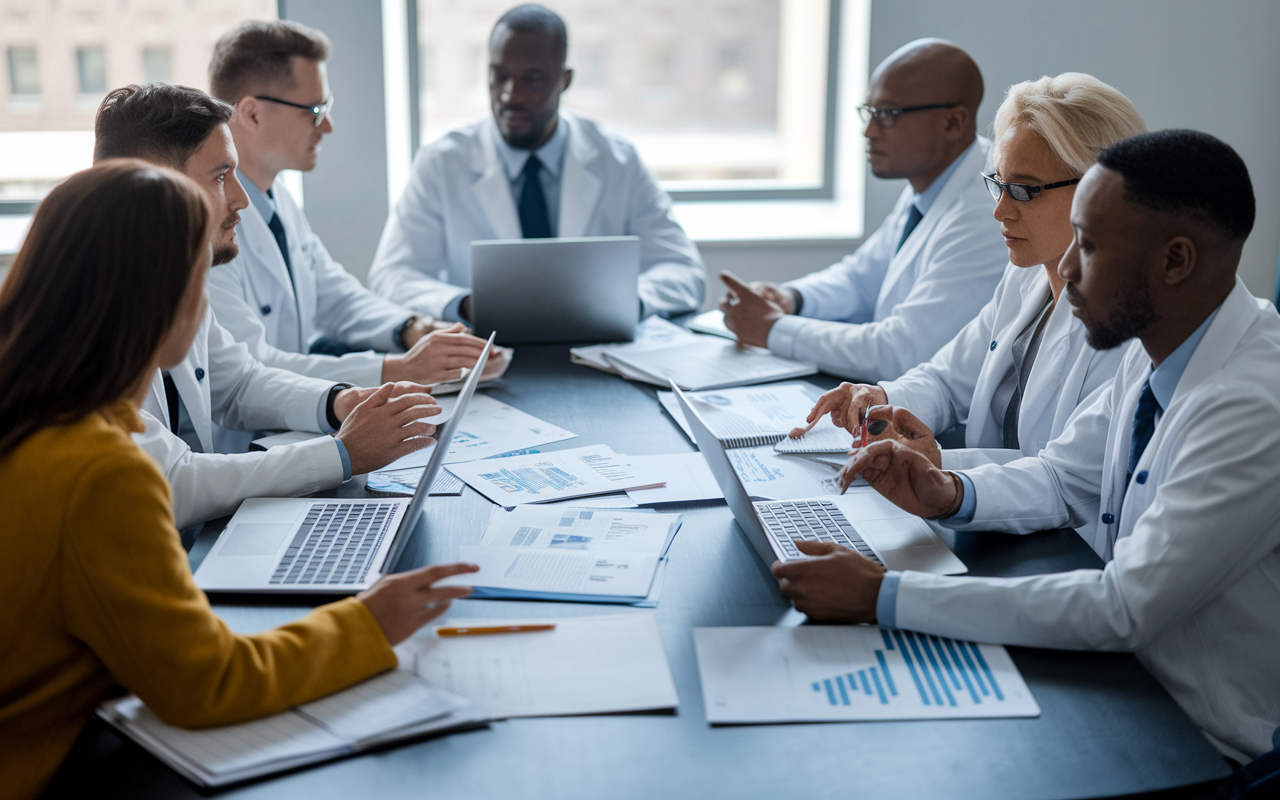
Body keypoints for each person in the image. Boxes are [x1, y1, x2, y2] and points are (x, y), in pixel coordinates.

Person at [771, 130, 1280, 763]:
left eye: (1088, 247)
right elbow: (1066, 476)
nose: (1064, 270)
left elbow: (1123, 607)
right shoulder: (1163, 345)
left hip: (1197, 741)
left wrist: (882, 595)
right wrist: (948, 489)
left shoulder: (1250, 405)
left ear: (1175, 262)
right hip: (1121, 684)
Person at [0, 160, 478, 800]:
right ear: (162, 298)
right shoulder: (103, 469)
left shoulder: (45, 410)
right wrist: (369, 623)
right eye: (201, 272)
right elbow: (206, 684)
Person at [94, 83, 439, 532]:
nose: (240, 201)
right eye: (220, 177)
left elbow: (237, 382)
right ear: (155, 184)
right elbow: (171, 480)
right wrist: (341, 454)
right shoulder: (85, 315)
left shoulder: (170, 277)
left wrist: (338, 401)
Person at [794, 74, 1144, 472]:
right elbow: (946, 381)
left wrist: (937, 464)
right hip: (978, 507)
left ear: (1100, 187)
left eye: (1025, 191)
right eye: (999, 184)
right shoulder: (1026, 277)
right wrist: (880, 397)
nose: (1001, 211)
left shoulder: (1129, 323)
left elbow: (1065, 477)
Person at [206, 20, 508, 447]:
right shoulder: (209, 225)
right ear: (252, 112)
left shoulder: (279, 201)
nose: (327, 127)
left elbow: (335, 294)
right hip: (236, 452)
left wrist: (412, 328)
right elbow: (251, 368)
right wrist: (399, 369)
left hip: (286, 434)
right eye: (315, 111)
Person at [367, 3, 705, 322]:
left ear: (564, 80)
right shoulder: (442, 162)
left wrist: (623, 300)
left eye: (532, 79)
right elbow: (391, 276)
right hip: (489, 350)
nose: (510, 95)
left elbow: (683, 271)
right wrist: (466, 304)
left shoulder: (617, 159)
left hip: (597, 352)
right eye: (499, 75)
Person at [717, 39, 1007, 382]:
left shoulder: (986, 213)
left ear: (952, 123)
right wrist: (791, 298)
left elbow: (901, 352)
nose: (868, 131)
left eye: (888, 115)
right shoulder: (931, 184)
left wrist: (771, 329)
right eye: (869, 112)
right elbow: (861, 279)